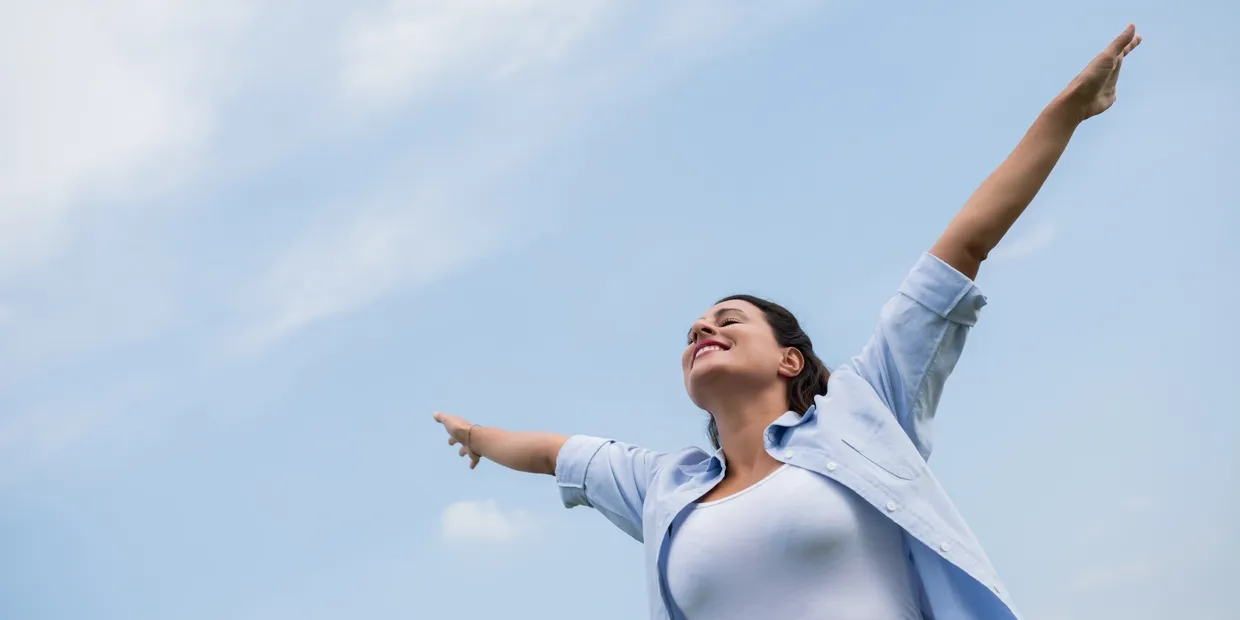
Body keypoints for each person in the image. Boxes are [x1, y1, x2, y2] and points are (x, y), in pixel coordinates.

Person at [432, 25, 1142, 620]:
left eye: (726, 320)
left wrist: (1064, 115)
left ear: (789, 360)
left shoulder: (865, 409)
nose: (700, 330)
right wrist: (474, 436)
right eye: (692, 333)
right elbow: (555, 453)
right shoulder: (661, 487)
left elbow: (961, 250)